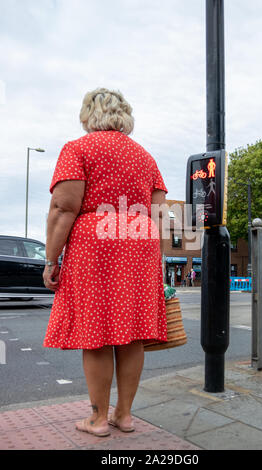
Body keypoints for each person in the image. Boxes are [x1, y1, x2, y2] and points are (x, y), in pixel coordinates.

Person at [42, 88, 168, 437]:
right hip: (139, 244)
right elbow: (157, 213)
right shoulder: (146, 157)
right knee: (131, 334)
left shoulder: (78, 149)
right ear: (124, 115)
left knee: (95, 332)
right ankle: (123, 415)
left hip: (95, 245)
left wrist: (51, 259)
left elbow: (63, 208)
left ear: (88, 114)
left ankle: (97, 419)